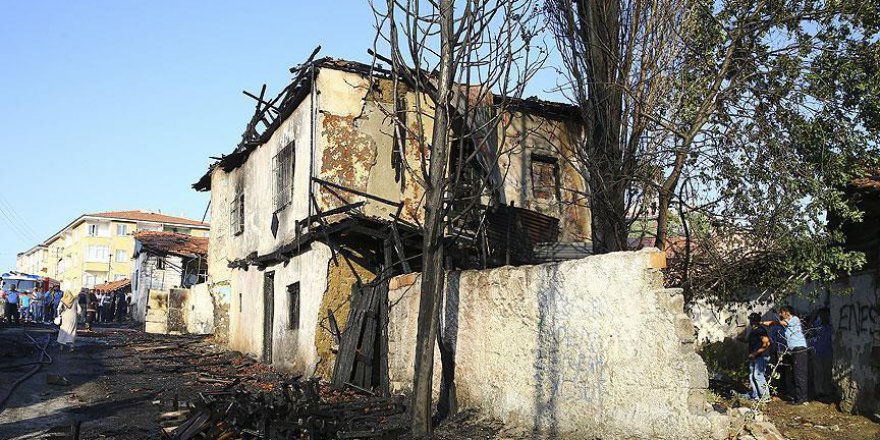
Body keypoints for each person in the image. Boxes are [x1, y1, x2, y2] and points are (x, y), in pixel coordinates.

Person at [763, 306, 809, 404]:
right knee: (796, 375)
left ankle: (802, 399)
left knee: (800, 375)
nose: (780, 315)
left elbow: (779, 323)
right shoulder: (790, 321)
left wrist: (763, 323)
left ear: (786, 312)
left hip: (799, 350)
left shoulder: (794, 319)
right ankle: (798, 397)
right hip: (794, 351)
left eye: (781, 313)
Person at [809, 308, 834, 400]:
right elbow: (811, 332)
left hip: (827, 351)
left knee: (827, 372)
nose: (822, 317)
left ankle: (826, 390)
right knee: (818, 372)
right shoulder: (817, 324)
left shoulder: (831, 325)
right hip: (817, 350)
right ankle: (819, 391)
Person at [746, 313, 772, 401]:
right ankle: (756, 395)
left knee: (758, 375)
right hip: (754, 357)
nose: (750, 322)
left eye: (752, 320)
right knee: (751, 376)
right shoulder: (753, 331)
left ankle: (765, 397)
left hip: (761, 357)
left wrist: (755, 353)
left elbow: (767, 343)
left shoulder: (761, 330)